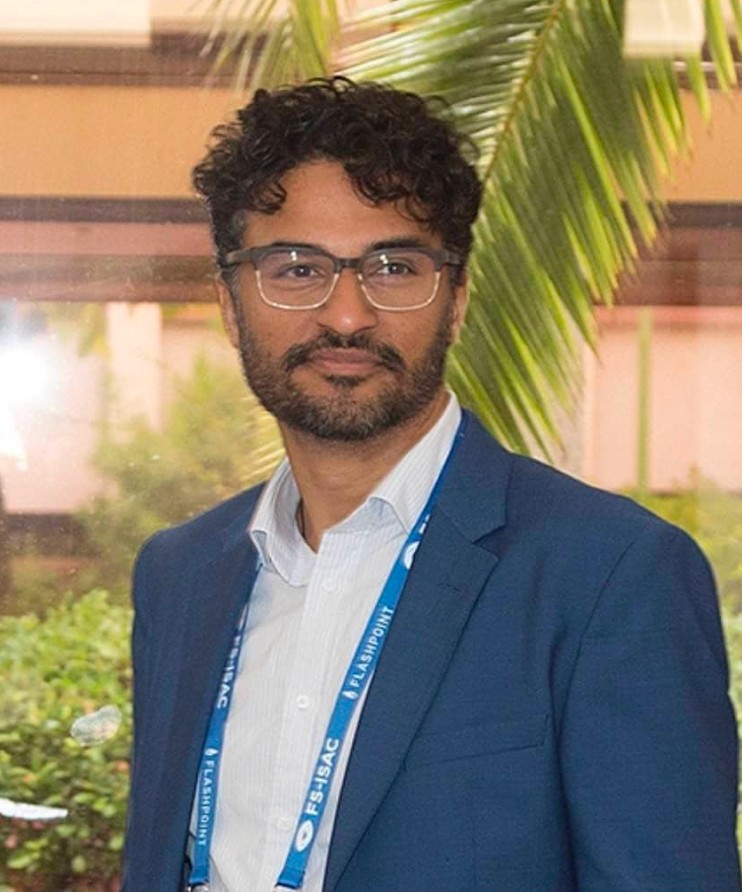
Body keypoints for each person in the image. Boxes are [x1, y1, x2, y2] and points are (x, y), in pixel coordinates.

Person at [121, 77, 740, 892]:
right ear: (231, 305)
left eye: (394, 266)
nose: (347, 315)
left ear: (456, 300)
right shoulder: (179, 575)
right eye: (297, 268)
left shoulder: (611, 576)